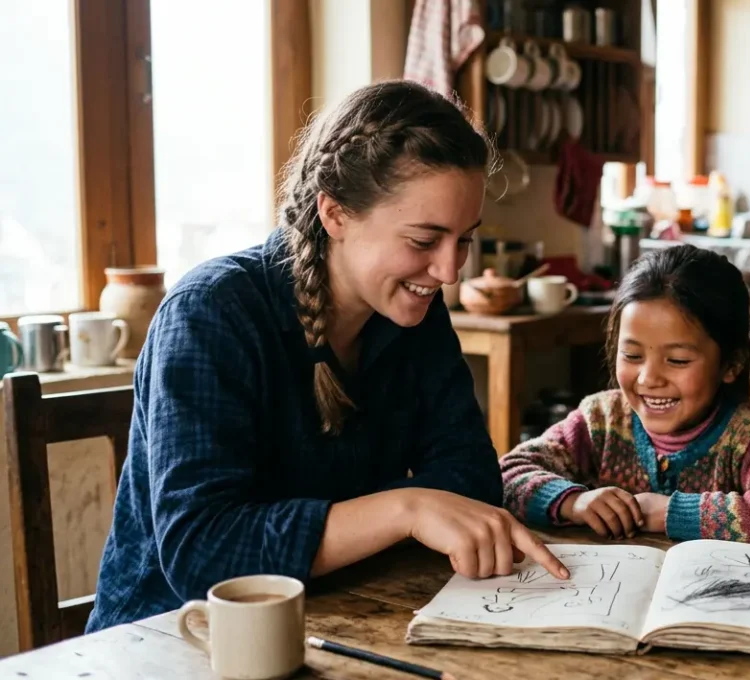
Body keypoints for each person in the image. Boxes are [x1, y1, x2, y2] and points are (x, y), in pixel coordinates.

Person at [88, 81, 568, 632]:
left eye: (463, 240)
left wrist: (408, 512)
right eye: (422, 240)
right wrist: (405, 510)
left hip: (339, 619)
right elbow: (204, 553)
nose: (448, 271)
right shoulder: (211, 314)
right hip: (170, 641)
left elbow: (469, 481)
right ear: (335, 214)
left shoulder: (412, 310)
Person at [501, 245, 750, 550]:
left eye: (678, 360)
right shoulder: (602, 419)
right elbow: (505, 476)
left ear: (731, 364)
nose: (648, 379)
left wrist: (670, 512)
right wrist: (573, 501)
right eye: (632, 355)